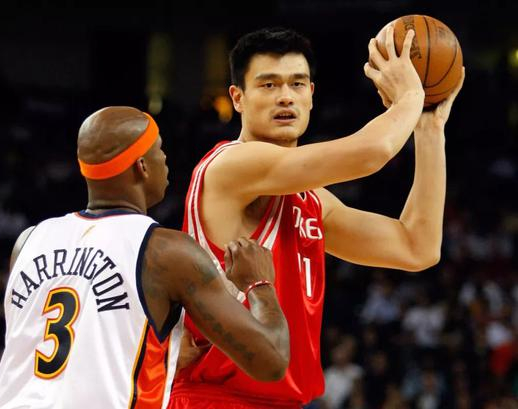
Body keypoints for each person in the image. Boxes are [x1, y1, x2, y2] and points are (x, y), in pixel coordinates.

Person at [168, 27, 464, 408]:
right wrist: (409, 96)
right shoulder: (229, 166)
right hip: (219, 398)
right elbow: (371, 153)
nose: (285, 96)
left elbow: (416, 247)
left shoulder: (311, 200)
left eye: (297, 83)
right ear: (238, 98)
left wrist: (429, 129)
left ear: (311, 94)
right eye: (268, 85)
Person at [0, 106, 290, 409]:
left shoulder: (28, 241)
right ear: (142, 166)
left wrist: (166, 354)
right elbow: (271, 361)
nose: (166, 159)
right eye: (160, 149)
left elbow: (60, 345)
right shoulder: (166, 252)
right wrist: (260, 284)